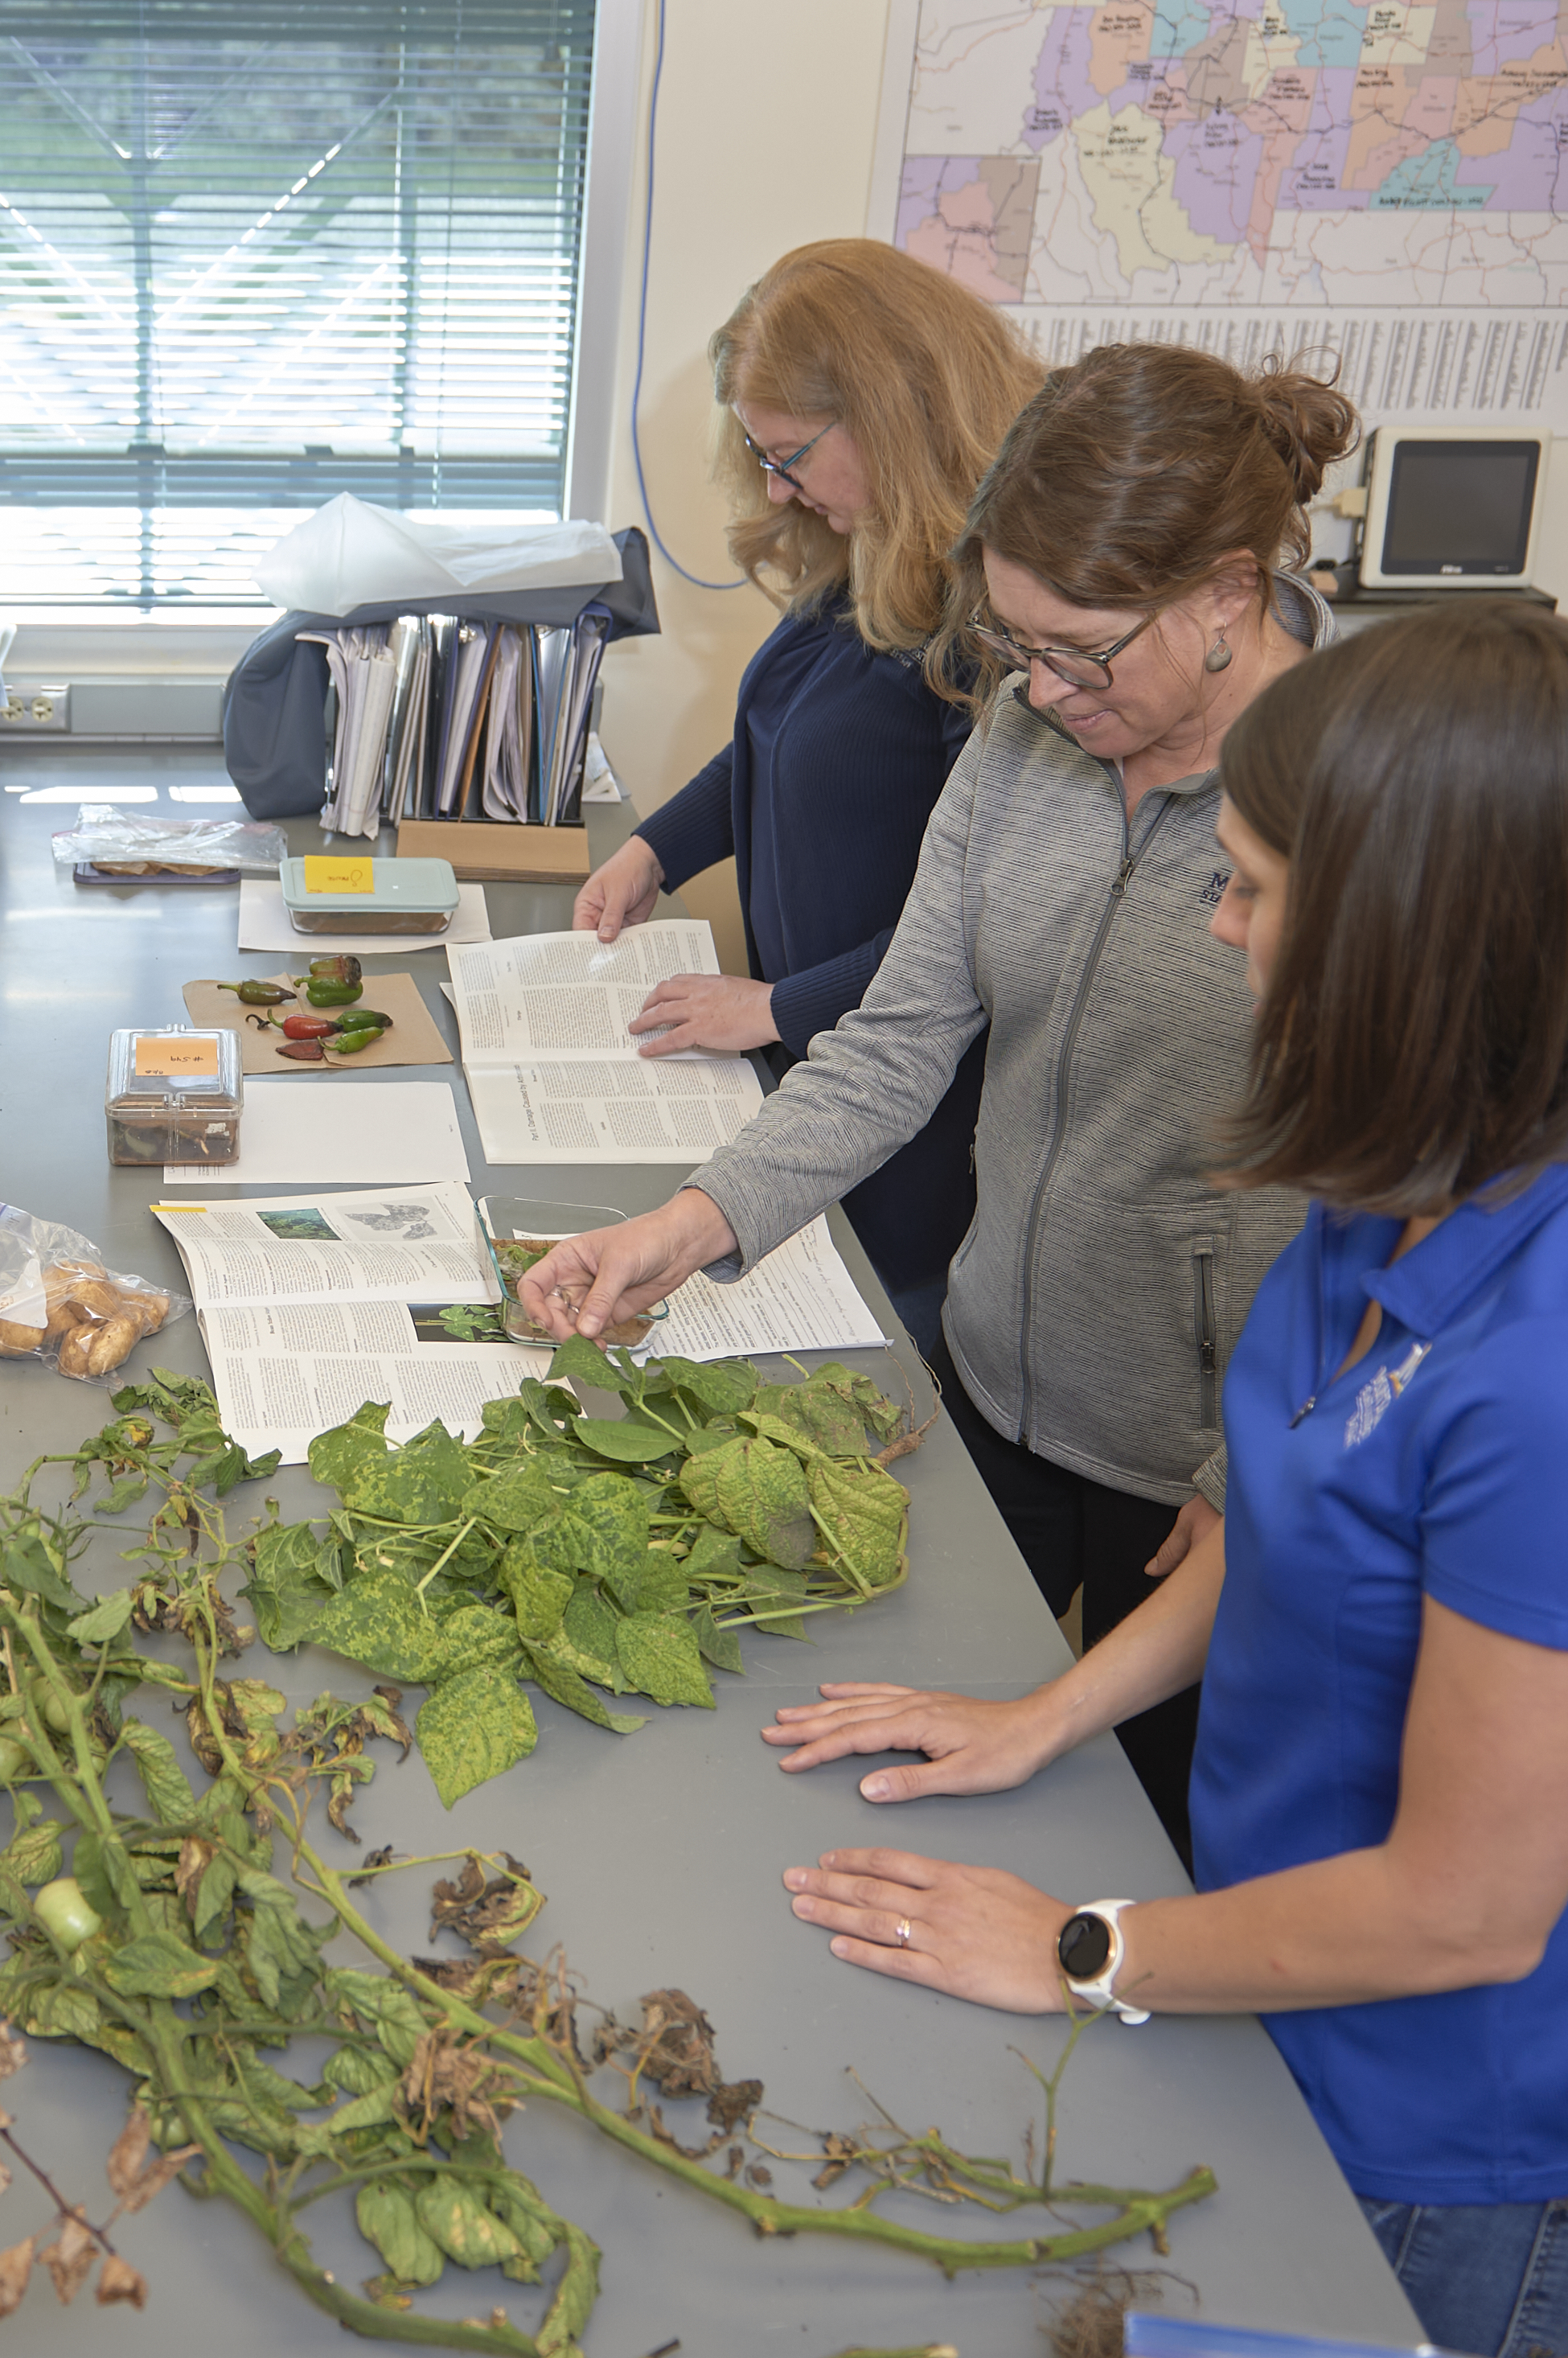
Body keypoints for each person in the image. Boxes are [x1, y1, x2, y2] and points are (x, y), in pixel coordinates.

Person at [758, 603, 1568, 2358]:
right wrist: (1050, 1714)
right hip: (1265, 1980)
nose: (1216, 921)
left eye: (1245, 887)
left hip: (1452, 2135)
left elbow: (1463, 1905)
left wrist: (1084, 1946)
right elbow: (1298, 1500)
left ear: (1410, 932)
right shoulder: (1408, 1156)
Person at [521, 344, 1358, 1861]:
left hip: (1219, 1470)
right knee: (941, 1797)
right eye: (1012, 640)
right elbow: (898, 1036)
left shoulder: (1368, 794)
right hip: (998, 1387)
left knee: (1158, 1856)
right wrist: (694, 1222)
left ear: (1230, 595)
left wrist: (1258, 1471)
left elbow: (1401, 1191)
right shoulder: (1031, 738)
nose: (1039, 688)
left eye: (1080, 649)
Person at [568, 240, 1040, 1369]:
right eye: (759, 453)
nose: (777, 490)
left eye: (791, 455)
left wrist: (784, 1004)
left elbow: (990, 920)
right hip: (809, 1071)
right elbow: (772, 749)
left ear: (895, 416)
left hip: (912, 1113)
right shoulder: (868, 550)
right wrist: (654, 851)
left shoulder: (1004, 621)